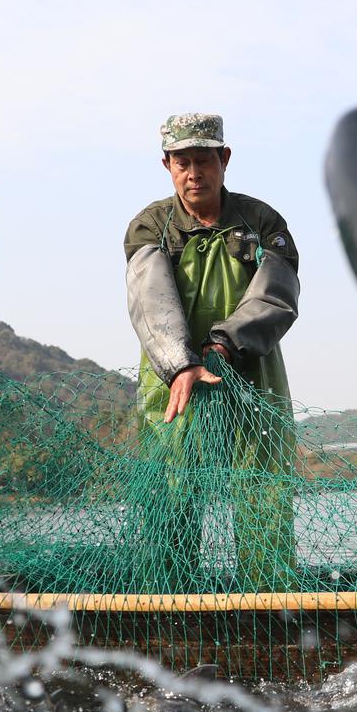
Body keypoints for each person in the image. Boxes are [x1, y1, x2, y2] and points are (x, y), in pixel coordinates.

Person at [122, 113, 300, 588]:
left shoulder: (262, 222)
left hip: (250, 376)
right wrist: (181, 364)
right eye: (182, 163)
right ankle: (170, 606)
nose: (194, 173)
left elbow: (276, 294)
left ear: (225, 159)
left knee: (262, 489)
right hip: (171, 385)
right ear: (167, 165)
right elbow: (149, 298)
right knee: (170, 491)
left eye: (204, 160)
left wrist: (223, 343)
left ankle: (269, 604)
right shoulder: (151, 226)